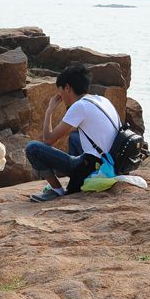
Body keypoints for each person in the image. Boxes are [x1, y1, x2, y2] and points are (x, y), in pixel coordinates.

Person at [25, 63, 120, 202]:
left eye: (61, 91)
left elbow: (48, 140)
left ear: (68, 87)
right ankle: (74, 175)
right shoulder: (101, 100)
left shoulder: (79, 106)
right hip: (112, 162)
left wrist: (49, 111)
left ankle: (57, 191)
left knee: (33, 148)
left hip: (94, 167)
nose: (61, 97)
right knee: (74, 137)